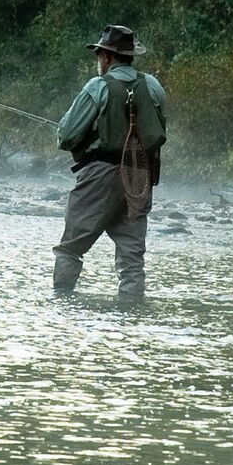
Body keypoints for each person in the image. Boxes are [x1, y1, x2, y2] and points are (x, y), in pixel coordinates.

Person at [53, 24, 169, 300]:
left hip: (100, 175)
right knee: (132, 262)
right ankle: (132, 317)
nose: (98, 60)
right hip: (139, 177)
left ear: (106, 56)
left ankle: (60, 306)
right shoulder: (153, 86)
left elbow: (67, 136)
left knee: (70, 248)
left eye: (99, 55)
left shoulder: (98, 86)